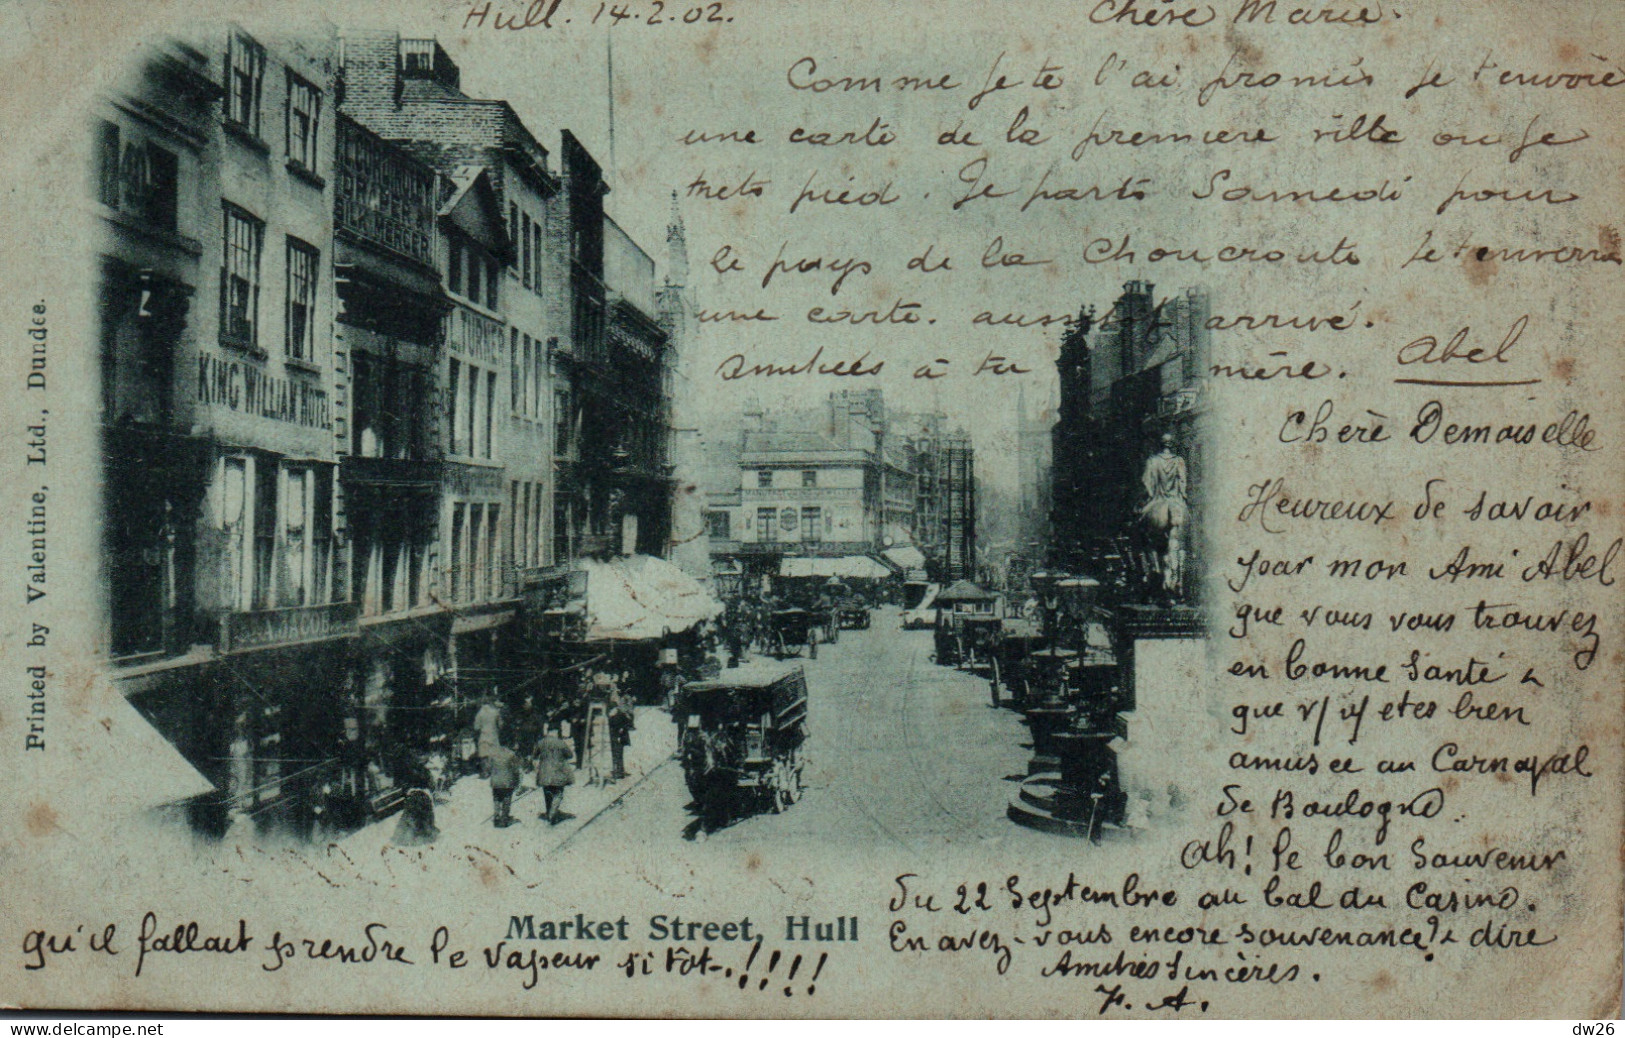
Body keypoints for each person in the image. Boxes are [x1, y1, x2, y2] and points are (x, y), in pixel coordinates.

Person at [533, 727, 576, 824]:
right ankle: (552, 813)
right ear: (556, 733)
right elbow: (570, 755)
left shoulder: (541, 742)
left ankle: (549, 812)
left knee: (547, 792)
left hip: (544, 773)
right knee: (558, 793)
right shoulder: (560, 743)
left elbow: (534, 755)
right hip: (558, 772)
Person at [487, 743, 522, 828]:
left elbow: (488, 767)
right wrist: (517, 782)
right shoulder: (511, 754)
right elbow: (516, 770)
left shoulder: (492, 753)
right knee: (506, 799)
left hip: (495, 782)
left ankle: (496, 817)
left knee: (496, 799)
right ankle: (504, 820)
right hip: (507, 782)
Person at [606, 687, 633, 781]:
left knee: (618, 754)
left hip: (618, 736)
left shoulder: (617, 712)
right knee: (617, 754)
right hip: (616, 736)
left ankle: (619, 771)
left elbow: (626, 721)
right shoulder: (614, 713)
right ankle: (618, 771)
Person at [473, 696, 502, 778]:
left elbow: (476, 727)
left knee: (484, 754)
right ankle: (495, 771)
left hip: (484, 735)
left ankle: (485, 772)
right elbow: (500, 724)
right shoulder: (495, 712)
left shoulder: (479, 714)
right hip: (493, 735)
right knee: (494, 754)